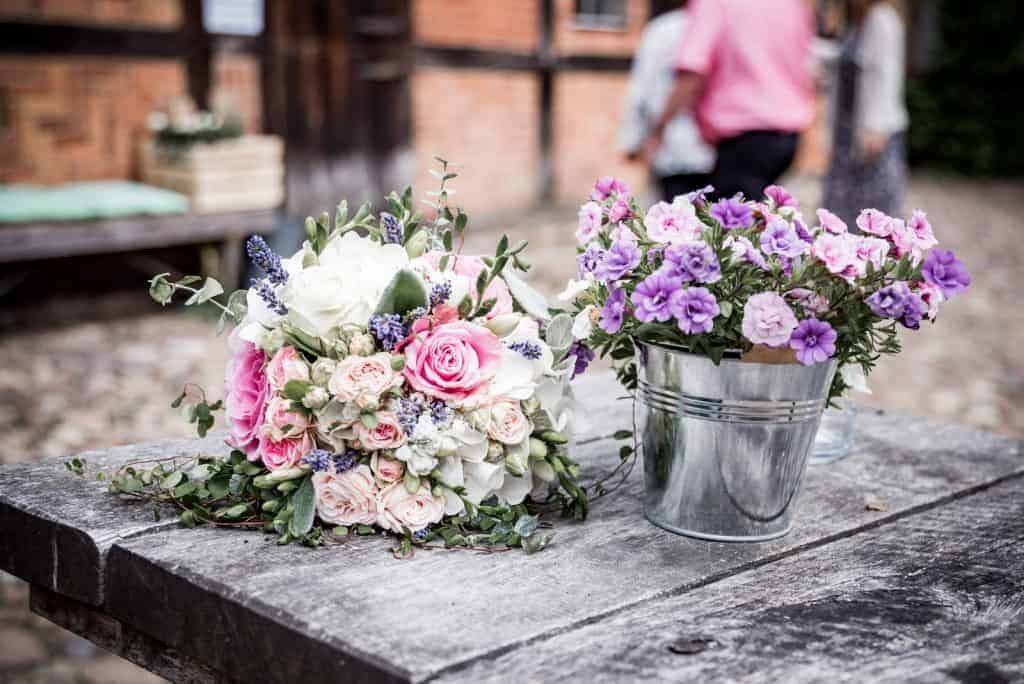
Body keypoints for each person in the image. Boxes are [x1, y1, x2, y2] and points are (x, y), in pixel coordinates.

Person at [644, 0, 816, 201]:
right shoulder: (791, 4)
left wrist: (659, 128)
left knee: (731, 214)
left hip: (743, 135)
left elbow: (692, 71)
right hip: (788, 135)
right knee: (754, 209)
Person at [822, 0, 908, 225]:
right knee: (838, 212)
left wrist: (876, 127)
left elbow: (886, 75)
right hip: (846, 132)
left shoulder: (882, 19)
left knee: (875, 215)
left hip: (872, 132)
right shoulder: (853, 21)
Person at [620, 2, 715, 201]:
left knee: (674, 215)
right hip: (718, 149)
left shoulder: (663, 29)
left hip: (673, 147)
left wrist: (632, 140)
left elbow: (642, 90)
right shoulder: (724, 27)